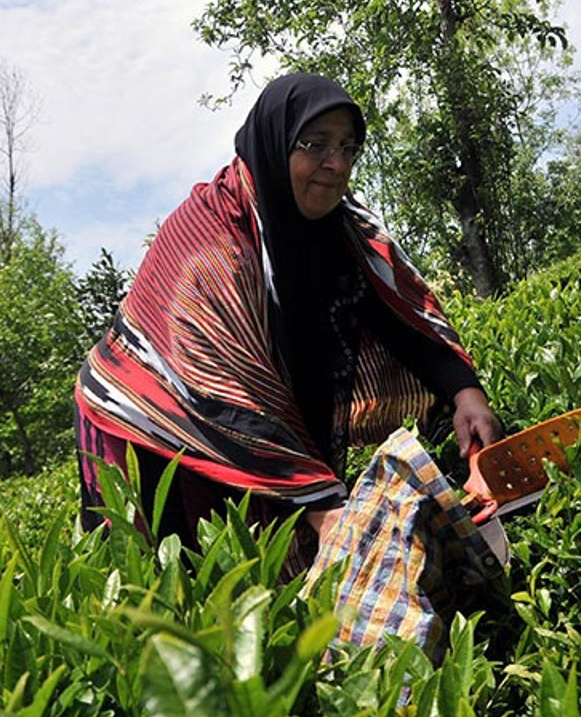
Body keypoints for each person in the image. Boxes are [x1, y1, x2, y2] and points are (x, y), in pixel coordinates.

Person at [73, 72, 501, 574]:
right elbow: (223, 390)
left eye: (348, 146)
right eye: (314, 145)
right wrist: (321, 504)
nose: (335, 164)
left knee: (299, 554)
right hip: (152, 429)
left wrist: (466, 396)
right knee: (189, 579)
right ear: (275, 145)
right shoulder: (210, 240)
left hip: (258, 415)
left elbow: (397, 313)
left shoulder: (342, 229)